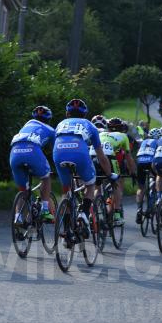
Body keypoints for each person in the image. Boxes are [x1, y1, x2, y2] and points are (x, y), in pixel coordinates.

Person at [53, 99, 116, 236]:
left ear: (67, 114)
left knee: (66, 191)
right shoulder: (89, 125)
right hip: (79, 152)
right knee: (90, 184)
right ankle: (84, 214)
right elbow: (101, 156)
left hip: (59, 152)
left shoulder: (60, 124)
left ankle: (66, 230)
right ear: (85, 114)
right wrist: (109, 174)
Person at [10, 106, 56, 223]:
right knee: (46, 177)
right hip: (32, 150)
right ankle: (45, 210)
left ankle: (18, 217)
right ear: (49, 119)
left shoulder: (26, 125)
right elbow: (56, 150)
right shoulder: (51, 130)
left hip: (14, 153)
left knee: (23, 190)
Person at [101, 117, 136, 226]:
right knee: (116, 184)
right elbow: (128, 157)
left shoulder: (101, 134)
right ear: (122, 128)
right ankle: (116, 214)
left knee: (96, 185)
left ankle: (92, 210)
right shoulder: (123, 136)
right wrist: (133, 172)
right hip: (111, 159)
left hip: (95, 157)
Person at [135, 128, 161, 224]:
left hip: (140, 162)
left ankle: (139, 209)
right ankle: (151, 206)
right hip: (151, 162)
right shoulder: (159, 142)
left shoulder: (144, 141)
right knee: (157, 179)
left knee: (141, 188)